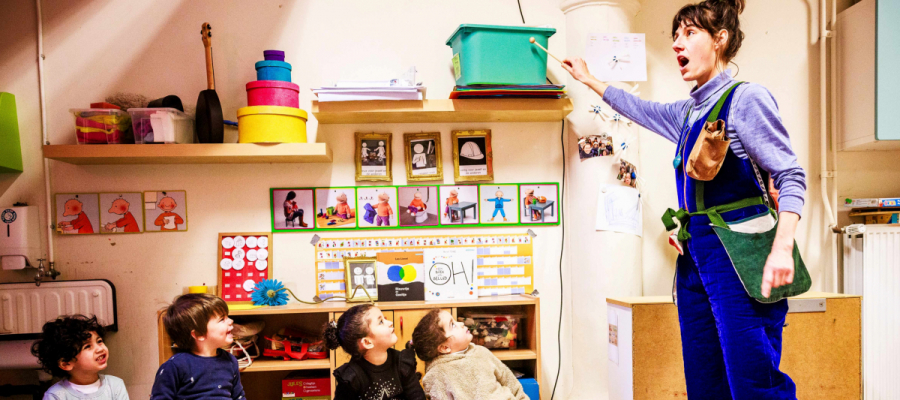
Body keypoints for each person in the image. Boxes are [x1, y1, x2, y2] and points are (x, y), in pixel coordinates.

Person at [562, 0, 805, 398]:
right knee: (704, 383)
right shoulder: (688, 113)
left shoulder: (746, 99)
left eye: (690, 33)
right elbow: (639, 108)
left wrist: (782, 248)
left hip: (740, 257)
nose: (678, 43)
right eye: (675, 35)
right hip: (695, 259)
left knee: (752, 384)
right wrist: (590, 79)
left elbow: (791, 175)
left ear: (720, 40)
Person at [411, 309, 527, 400]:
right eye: (453, 325)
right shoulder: (437, 374)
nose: (461, 323)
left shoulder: (481, 352)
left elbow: (508, 380)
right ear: (445, 347)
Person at [151, 294, 245, 400]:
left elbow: (239, 397)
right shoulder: (174, 366)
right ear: (199, 334)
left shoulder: (230, 361)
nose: (230, 321)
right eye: (222, 319)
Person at [323, 304, 425, 400]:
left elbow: (417, 397)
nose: (390, 323)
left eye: (384, 318)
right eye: (381, 322)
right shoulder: (351, 378)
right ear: (367, 342)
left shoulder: (402, 363)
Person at [31, 315, 129, 400]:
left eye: (99, 341)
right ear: (66, 363)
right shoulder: (56, 395)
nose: (99, 349)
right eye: (87, 346)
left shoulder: (115, 385)